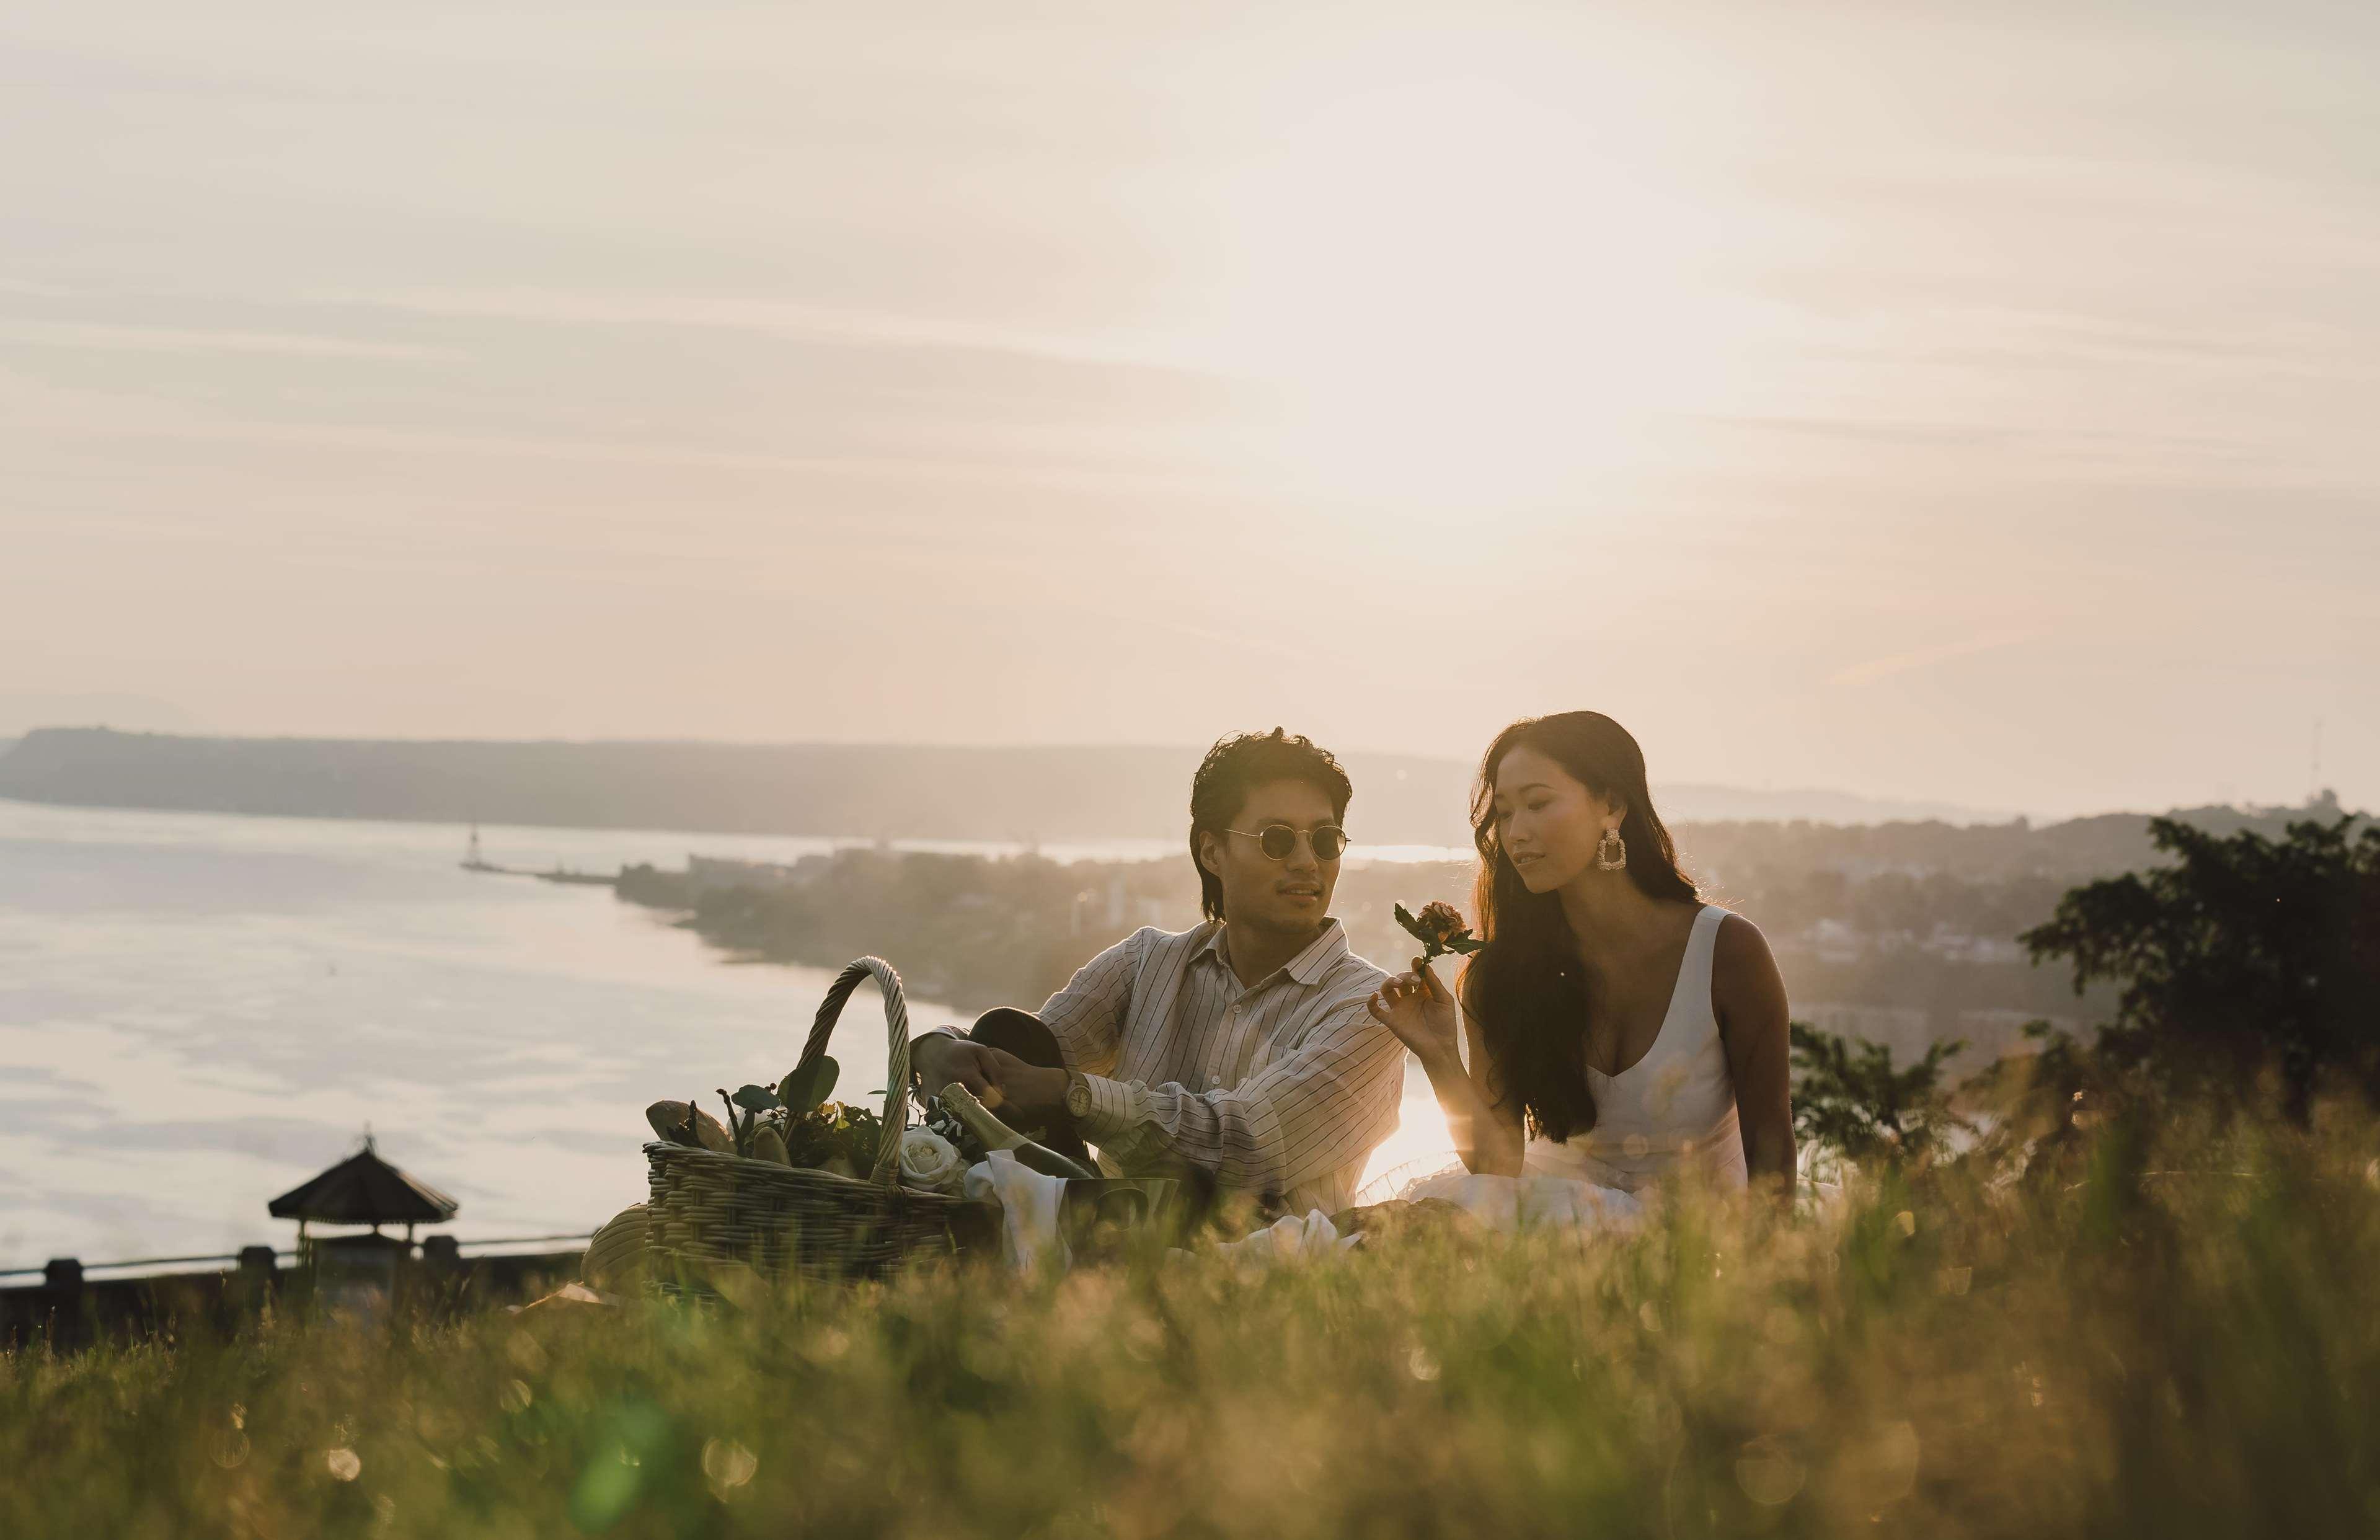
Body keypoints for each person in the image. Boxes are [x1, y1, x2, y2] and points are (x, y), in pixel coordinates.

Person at [908, 728, 1406, 1220]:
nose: (1306, 862)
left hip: (1268, 1275)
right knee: (1004, 1029)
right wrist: (936, 1046)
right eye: (1276, 839)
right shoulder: (1146, 962)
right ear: (1212, 852)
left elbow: (1246, 1148)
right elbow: (1016, 1058)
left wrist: (1072, 1094)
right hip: (1114, 1265)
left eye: (1324, 840)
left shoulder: (1371, 1006)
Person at [1367, 712, 1794, 1209]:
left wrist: (1771, 1274)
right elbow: (1496, 1166)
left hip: (1694, 1242)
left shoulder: (1728, 951)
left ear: (1611, 804)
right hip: (1556, 1226)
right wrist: (1438, 1053)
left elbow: (1771, 1149)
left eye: (1537, 803)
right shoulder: (1499, 975)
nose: (1515, 833)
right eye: (1503, 813)